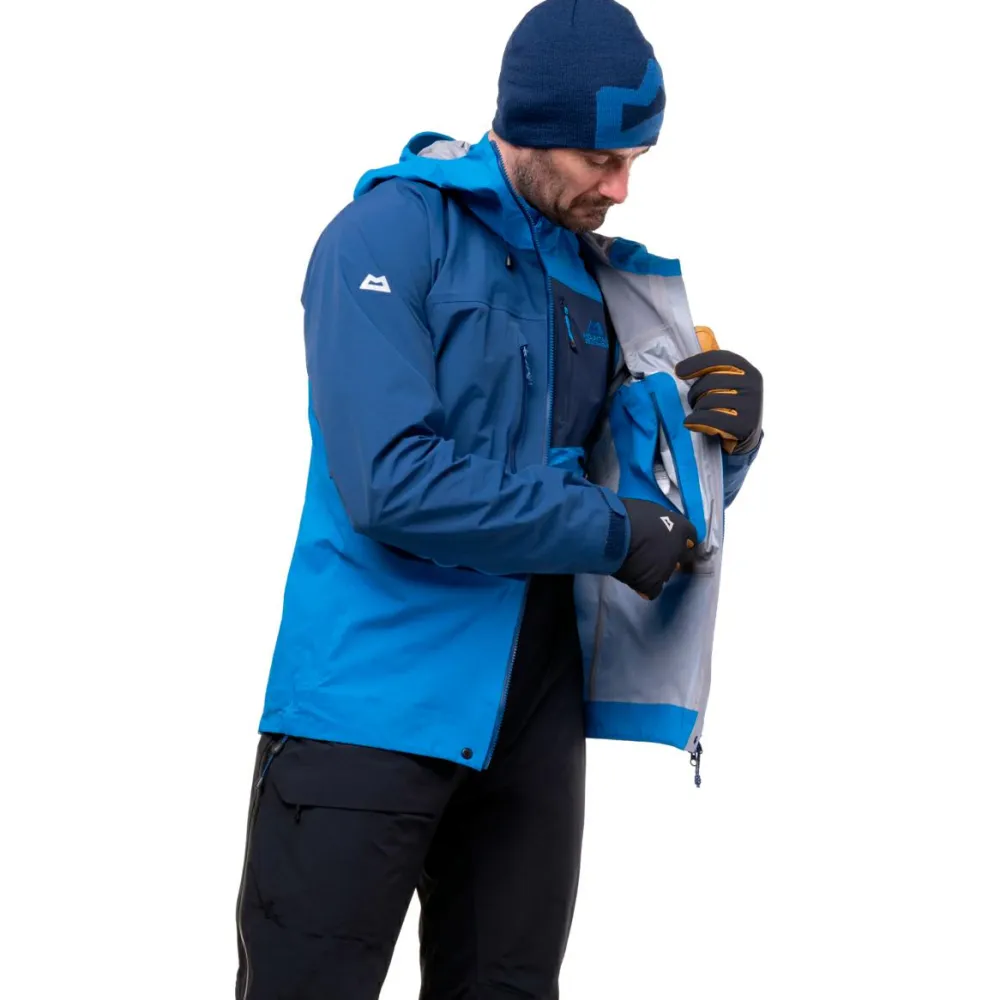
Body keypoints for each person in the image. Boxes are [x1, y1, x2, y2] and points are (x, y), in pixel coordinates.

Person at [234, 1, 763, 997]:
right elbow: (393, 481)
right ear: (529, 124)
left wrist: (724, 437)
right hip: (370, 704)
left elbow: (638, 489)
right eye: (600, 160)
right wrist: (611, 529)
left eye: (635, 161)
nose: (620, 187)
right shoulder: (384, 236)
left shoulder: (591, 278)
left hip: (531, 719)